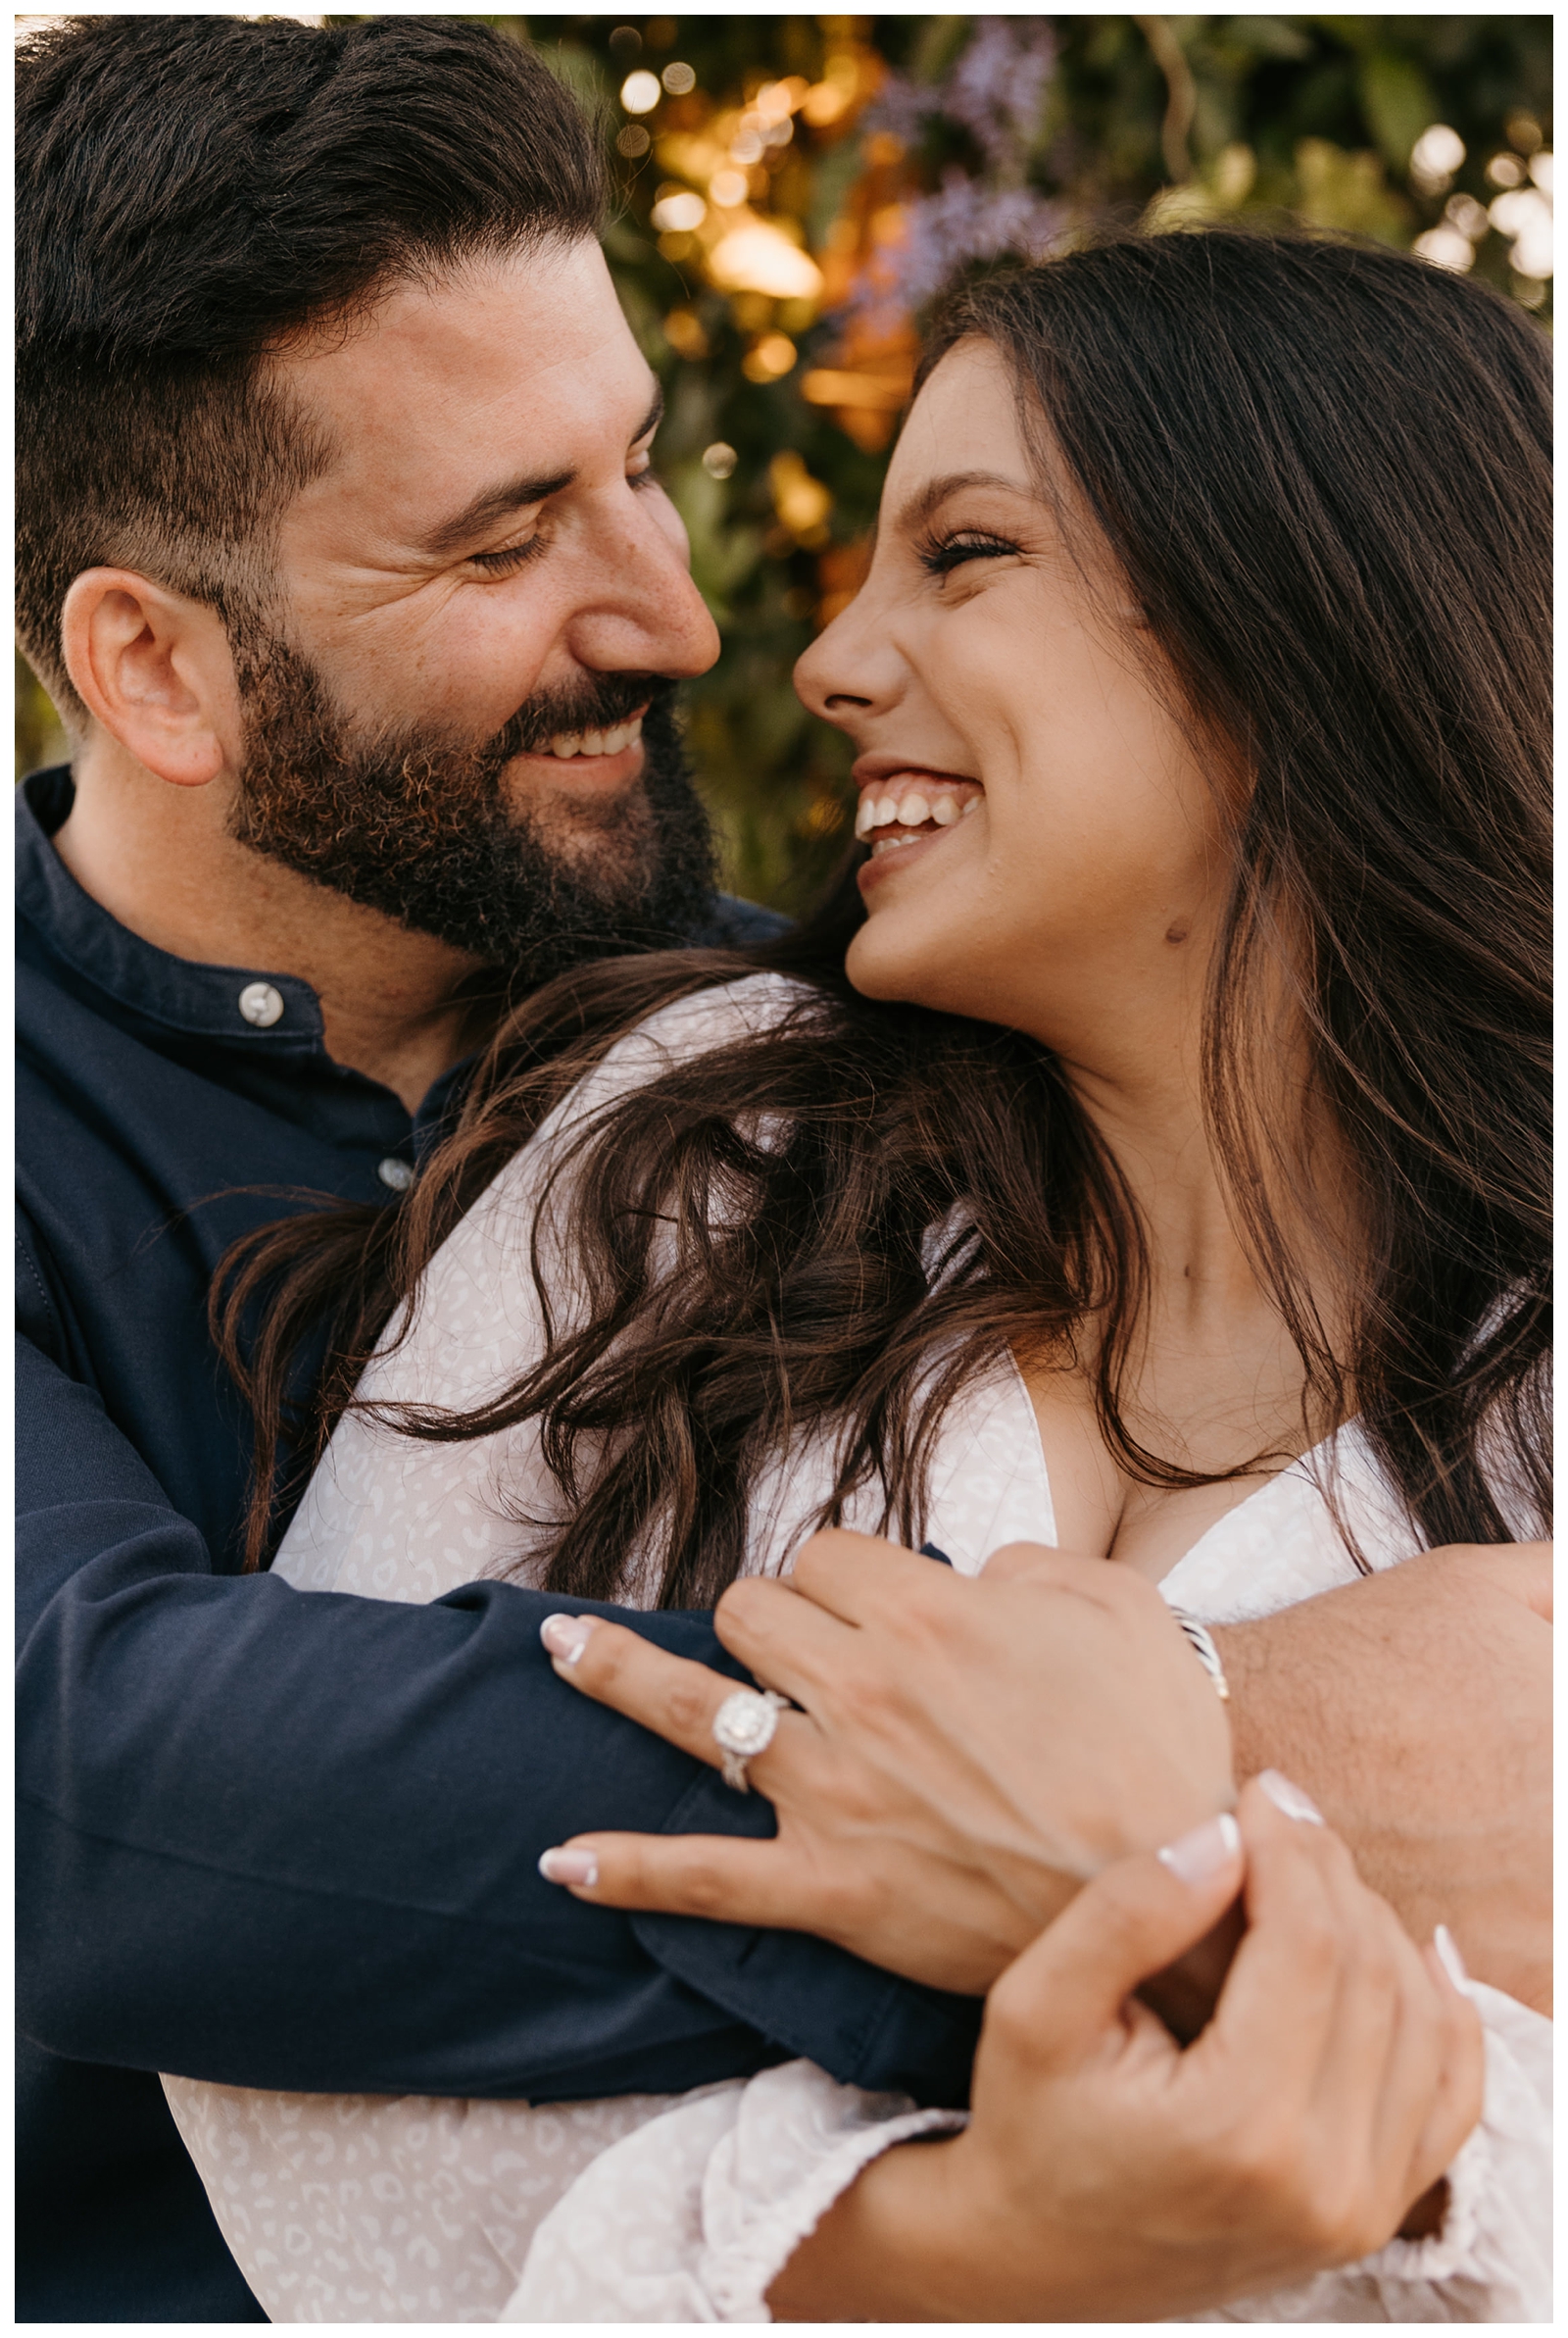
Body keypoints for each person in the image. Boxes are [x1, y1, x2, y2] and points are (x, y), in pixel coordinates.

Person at [172, 233, 1550, 2319]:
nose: (822, 656)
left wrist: (1407, 2152)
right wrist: (955, 2239)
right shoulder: (700, 1139)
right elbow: (290, 1929)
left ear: (1304, 612)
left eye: (963, 551)